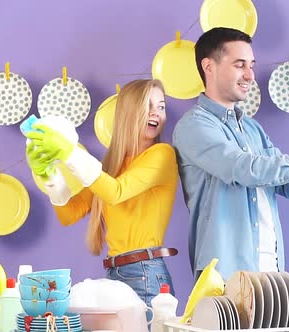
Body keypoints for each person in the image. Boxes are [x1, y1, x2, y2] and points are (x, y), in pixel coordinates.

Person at [172, 27, 289, 281]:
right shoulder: (194, 126)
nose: (250, 75)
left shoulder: (253, 128)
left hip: (271, 268)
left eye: (251, 65)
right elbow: (243, 169)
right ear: (209, 67)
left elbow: (285, 185)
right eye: (240, 65)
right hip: (226, 271)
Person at [25, 79, 179, 308]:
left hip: (145, 273)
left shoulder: (162, 155)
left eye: (161, 106)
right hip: (116, 274)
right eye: (147, 106)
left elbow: (116, 192)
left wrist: (69, 152)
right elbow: (69, 214)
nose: (156, 113)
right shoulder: (110, 167)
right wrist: (49, 176)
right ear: (128, 112)